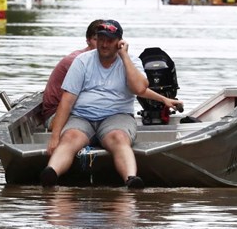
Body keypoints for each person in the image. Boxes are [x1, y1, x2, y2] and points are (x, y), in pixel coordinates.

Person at [41, 20, 182, 190]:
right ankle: (51, 173)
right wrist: (55, 137)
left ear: (119, 42)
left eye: (109, 40)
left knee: (119, 138)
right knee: (69, 137)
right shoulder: (82, 61)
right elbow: (67, 100)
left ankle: (131, 179)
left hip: (117, 116)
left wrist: (124, 57)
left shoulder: (132, 62)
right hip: (82, 116)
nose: (104, 44)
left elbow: (139, 88)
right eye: (101, 39)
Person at [41, 19, 104, 127]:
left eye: (104, 40)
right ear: (88, 40)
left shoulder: (97, 61)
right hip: (55, 115)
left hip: (76, 111)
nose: (101, 45)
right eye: (96, 40)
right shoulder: (77, 61)